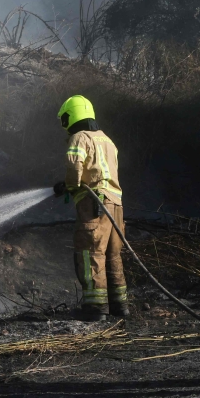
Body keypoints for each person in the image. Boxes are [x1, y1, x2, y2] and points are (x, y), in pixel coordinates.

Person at [52, 95, 128, 321]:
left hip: (94, 203)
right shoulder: (108, 140)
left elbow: (75, 169)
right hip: (116, 205)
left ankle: (95, 309)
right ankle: (120, 306)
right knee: (113, 255)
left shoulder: (79, 138)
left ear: (71, 116)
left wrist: (67, 186)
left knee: (90, 253)